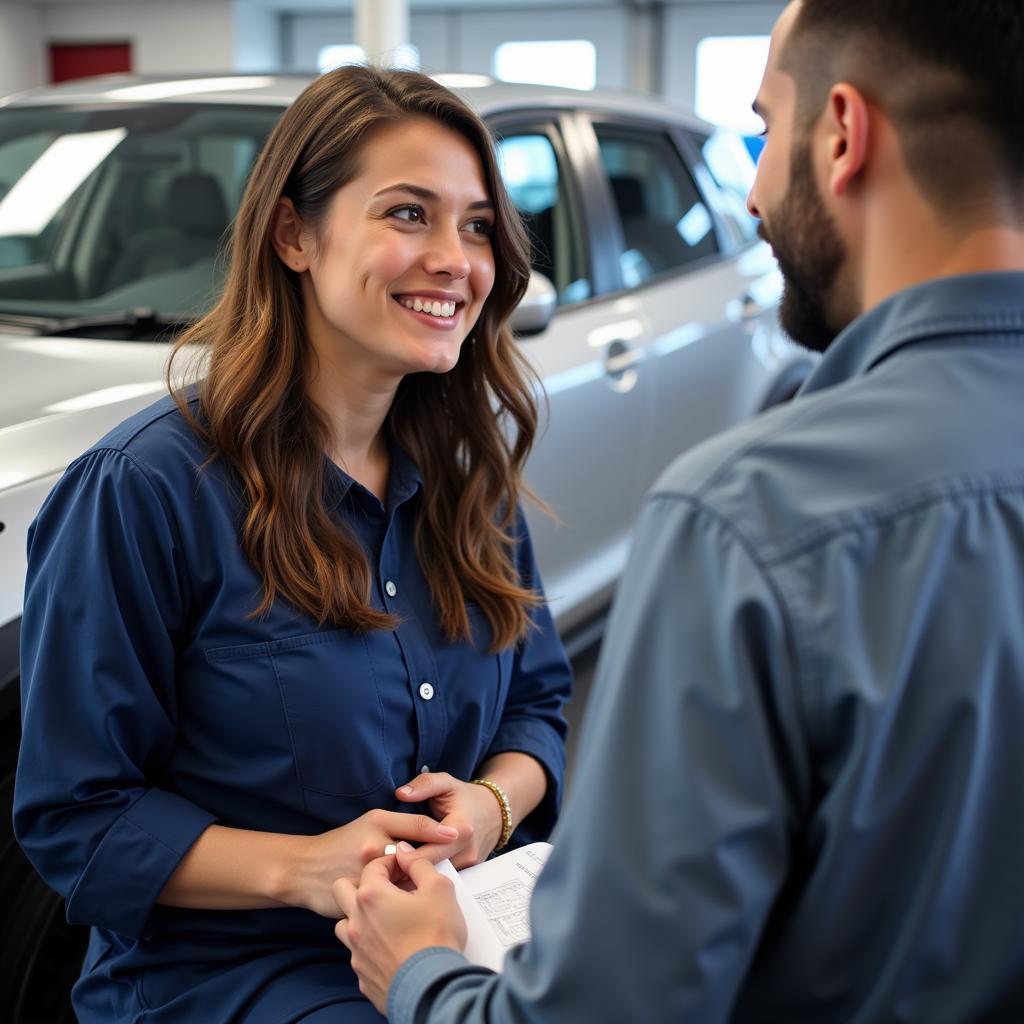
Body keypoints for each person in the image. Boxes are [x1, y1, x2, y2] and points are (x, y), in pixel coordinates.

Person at [333, 2, 1024, 1021]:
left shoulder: (750, 521)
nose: (747, 191)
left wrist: (425, 973)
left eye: (761, 128)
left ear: (840, 134)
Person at [14, 66, 572, 1023]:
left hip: (449, 941)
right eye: (408, 214)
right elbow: (76, 817)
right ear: (293, 235)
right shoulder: (147, 489)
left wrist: (490, 808)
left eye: (478, 225)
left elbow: (539, 704)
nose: (455, 259)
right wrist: (306, 869)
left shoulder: (467, 474)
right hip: (234, 978)